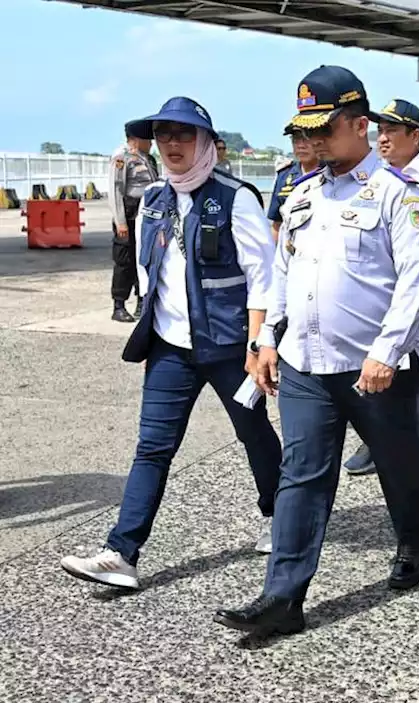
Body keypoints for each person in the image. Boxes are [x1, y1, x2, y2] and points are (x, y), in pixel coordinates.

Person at [214, 66, 419, 638]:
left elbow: (414, 282)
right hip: (306, 363)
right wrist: (266, 340)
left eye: (325, 128)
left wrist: (387, 352)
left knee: (397, 461)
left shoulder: (397, 196)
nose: (312, 141)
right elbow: (283, 274)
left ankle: (412, 540)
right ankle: (283, 597)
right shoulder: (302, 196)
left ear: (361, 125)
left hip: (373, 369)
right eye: (304, 130)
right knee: (301, 474)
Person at [60, 97, 281, 589]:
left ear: (205, 142)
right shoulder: (154, 198)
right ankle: (121, 553)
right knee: (152, 448)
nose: (173, 145)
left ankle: (280, 516)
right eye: (164, 136)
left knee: (253, 433)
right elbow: (147, 271)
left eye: (184, 135)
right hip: (170, 349)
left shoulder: (235, 197)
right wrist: (150, 334)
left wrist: (259, 343)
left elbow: (264, 277)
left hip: (228, 347)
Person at [341, 99, 419, 478]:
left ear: (416, 137)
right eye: (381, 131)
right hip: (379, 297)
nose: (383, 139)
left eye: (393, 131)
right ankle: (376, 438)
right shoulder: (374, 178)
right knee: (378, 364)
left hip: (418, 293)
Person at [108, 122, 159, 322]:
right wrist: (120, 221)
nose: (152, 145)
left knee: (144, 259)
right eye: (149, 141)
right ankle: (119, 305)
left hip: (146, 216)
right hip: (128, 214)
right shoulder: (122, 159)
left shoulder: (149, 160)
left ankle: (142, 301)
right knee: (124, 261)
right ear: (137, 140)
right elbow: (115, 190)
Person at [267, 127, 322, 238]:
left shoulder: (333, 173)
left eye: (306, 139)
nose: (301, 145)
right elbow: (277, 225)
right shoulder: (285, 175)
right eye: (296, 139)